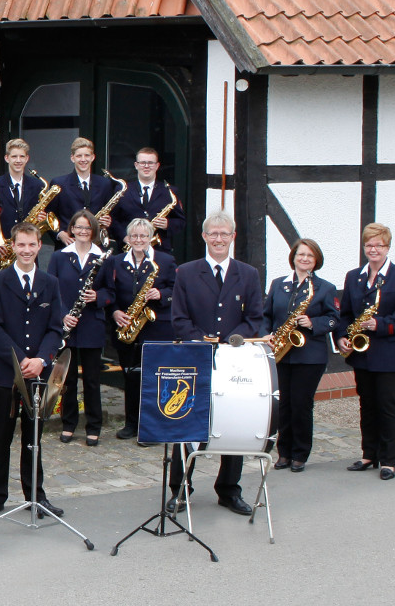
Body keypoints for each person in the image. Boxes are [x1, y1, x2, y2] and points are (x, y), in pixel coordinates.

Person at [169, 211, 265, 513]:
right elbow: (178, 319)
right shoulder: (186, 272)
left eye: (224, 234)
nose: (219, 239)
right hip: (195, 359)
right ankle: (180, 490)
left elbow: (255, 319)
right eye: (214, 233)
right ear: (204, 237)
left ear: (232, 237)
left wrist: (231, 341)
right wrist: (200, 340)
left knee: (233, 421)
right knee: (186, 423)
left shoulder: (248, 273)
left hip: (234, 360)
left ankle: (228, 490)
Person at [0, 224, 65, 518]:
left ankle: (36, 495)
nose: (26, 250)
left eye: (32, 245)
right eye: (21, 245)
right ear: (13, 247)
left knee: (34, 437)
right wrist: (21, 359)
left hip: (39, 373)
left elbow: (56, 327)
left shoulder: (50, 282)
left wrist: (41, 359)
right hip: (8, 372)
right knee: (2, 435)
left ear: (40, 246)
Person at [336, 222, 395, 481]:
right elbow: (346, 313)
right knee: (367, 404)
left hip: (391, 353)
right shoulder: (354, 276)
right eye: (369, 244)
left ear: (388, 247)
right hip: (362, 354)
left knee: (386, 405)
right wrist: (340, 336)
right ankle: (369, 453)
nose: (374, 249)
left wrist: (380, 324)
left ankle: (388, 460)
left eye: (379, 245)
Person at [268, 239, 339, 473]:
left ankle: (300, 453)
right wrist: (266, 335)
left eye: (310, 255)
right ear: (293, 257)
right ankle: (284, 452)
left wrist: (312, 322)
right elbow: (265, 315)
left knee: (301, 404)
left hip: (310, 355)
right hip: (281, 353)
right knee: (284, 404)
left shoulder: (325, 288)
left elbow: (333, 318)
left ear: (316, 260)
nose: (305, 259)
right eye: (301, 254)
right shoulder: (278, 284)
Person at [109, 218, 175, 439]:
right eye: (134, 236)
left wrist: (162, 294)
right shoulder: (117, 261)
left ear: (151, 238)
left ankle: (153, 426)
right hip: (127, 327)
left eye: (143, 236)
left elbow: (176, 289)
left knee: (154, 378)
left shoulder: (165, 261)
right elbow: (109, 292)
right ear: (127, 239)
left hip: (156, 327)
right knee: (130, 377)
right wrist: (115, 311)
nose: (139, 240)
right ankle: (131, 424)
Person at [54, 211, 111, 446]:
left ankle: (93, 426)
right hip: (67, 324)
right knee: (67, 380)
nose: (83, 232)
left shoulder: (105, 258)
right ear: (72, 229)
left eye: (88, 228)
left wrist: (97, 296)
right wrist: (62, 316)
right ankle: (68, 424)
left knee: (91, 380)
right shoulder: (60, 257)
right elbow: (52, 291)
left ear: (94, 231)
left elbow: (112, 292)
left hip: (91, 326)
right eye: (79, 227)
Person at [111, 146, 180, 256]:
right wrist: (124, 237)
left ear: (157, 166)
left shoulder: (170, 191)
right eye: (142, 162)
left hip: (160, 251)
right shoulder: (122, 190)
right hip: (128, 251)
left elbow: (181, 221)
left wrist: (168, 224)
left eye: (150, 163)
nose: (146, 166)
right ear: (136, 165)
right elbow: (113, 219)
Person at [50, 138, 114, 248]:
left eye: (87, 155)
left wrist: (108, 221)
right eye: (79, 156)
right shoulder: (59, 183)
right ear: (72, 158)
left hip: (96, 245)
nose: (83, 159)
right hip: (68, 244)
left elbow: (113, 215)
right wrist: (60, 234)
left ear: (93, 157)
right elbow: (49, 216)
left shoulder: (105, 184)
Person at [0, 139, 45, 256]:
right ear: (7, 158)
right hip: (3, 250)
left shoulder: (37, 185)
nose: (18, 160)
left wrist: (41, 219)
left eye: (22, 156)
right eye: (14, 156)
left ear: (27, 158)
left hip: (28, 249)